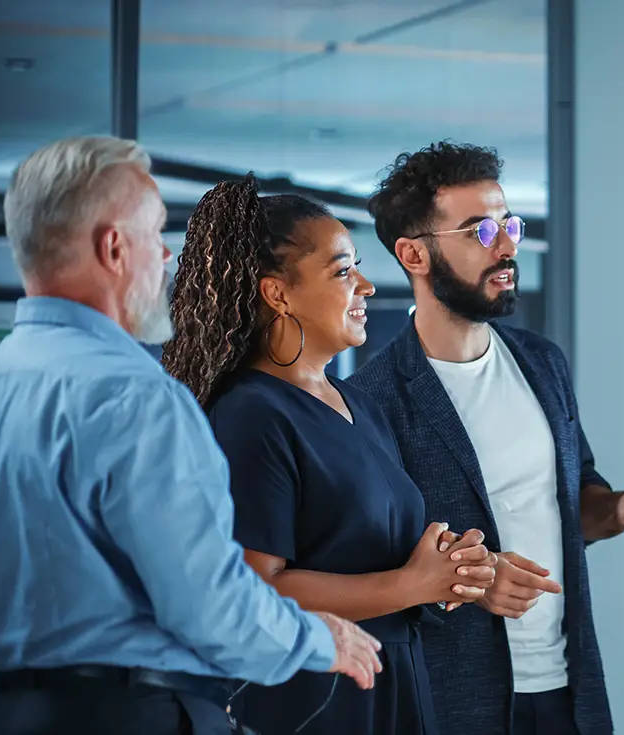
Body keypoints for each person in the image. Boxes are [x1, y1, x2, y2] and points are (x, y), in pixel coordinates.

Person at [0, 137, 383, 735]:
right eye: (155, 233)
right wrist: (321, 639)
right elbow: (208, 604)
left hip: (12, 714)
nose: (165, 257)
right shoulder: (136, 398)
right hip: (137, 714)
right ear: (113, 247)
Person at [348, 141, 624, 735]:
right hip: (452, 700)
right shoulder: (373, 400)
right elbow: (373, 566)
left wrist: (622, 507)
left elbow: (572, 500)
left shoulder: (543, 363)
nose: (507, 246)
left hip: (568, 688)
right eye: (480, 231)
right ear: (414, 253)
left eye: (509, 224)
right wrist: (473, 580)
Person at [160, 177, 497, 735]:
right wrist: (413, 585)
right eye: (342, 271)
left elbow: (373, 549)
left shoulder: (359, 404)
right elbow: (256, 588)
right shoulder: (249, 416)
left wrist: (453, 568)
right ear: (278, 294)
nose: (365, 285)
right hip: (314, 701)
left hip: (394, 682)